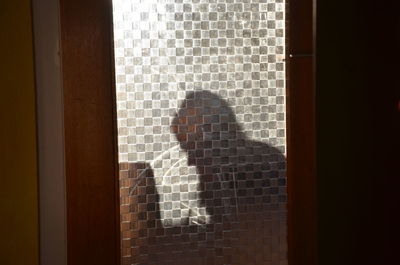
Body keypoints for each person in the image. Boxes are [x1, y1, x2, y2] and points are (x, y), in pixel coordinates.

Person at [170, 90, 286, 265]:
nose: (190, 163)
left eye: (192, 152)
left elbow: (238, 235)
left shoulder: (246, 167)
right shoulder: (231, 164)